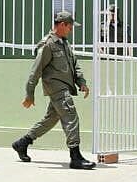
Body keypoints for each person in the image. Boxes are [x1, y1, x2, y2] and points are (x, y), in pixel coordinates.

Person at [12, 10, 95, 169]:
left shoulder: (64, 43)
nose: (71, 30)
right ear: (62, 25)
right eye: (70, 26)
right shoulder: (48, 44)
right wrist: (29, 93)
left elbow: (74, 64)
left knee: (50, 119)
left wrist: (81, 82)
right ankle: (75, 156)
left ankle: (22, 143)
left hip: (65, 86)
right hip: (56, 88)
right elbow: (35, 70)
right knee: (71, 117)